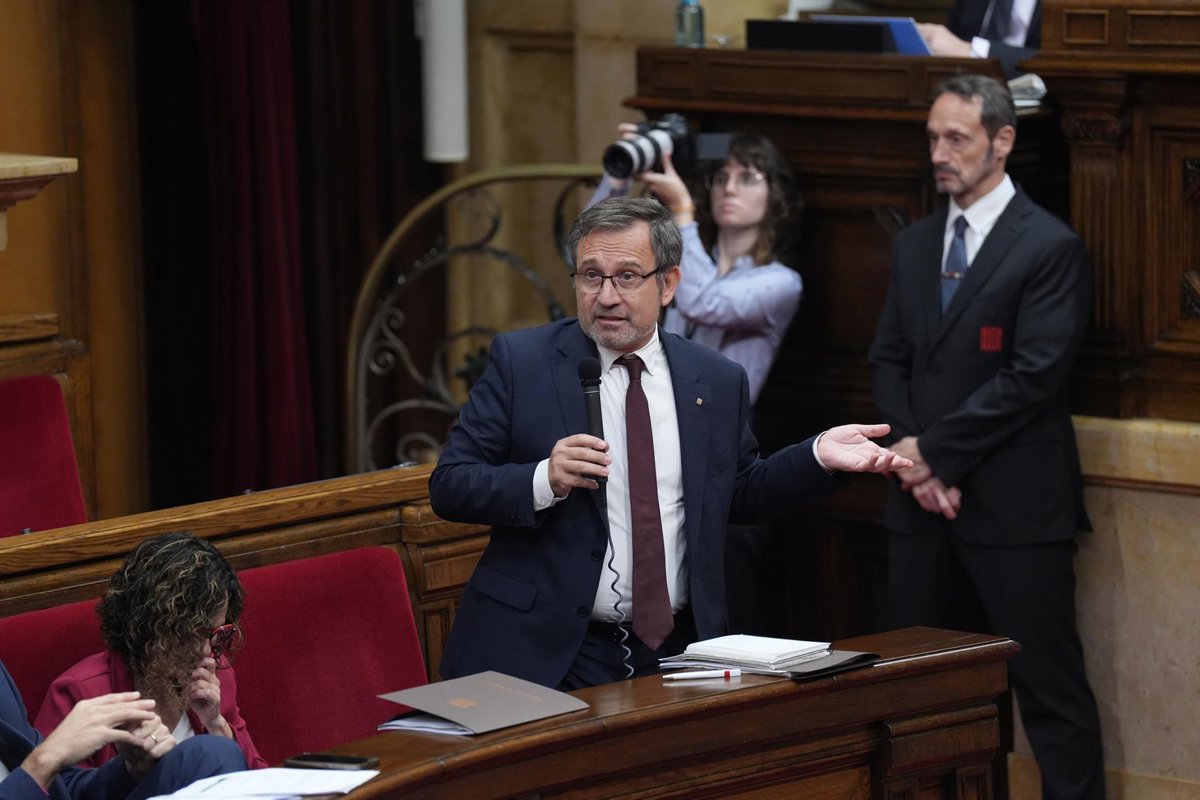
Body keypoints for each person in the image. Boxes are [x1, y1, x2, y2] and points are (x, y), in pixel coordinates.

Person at [430, 195, 911, 691]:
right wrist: (542, 479)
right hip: (543, 650)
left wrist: (816, 457)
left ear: (668, 284)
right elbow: (450, 485)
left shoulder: (715, 378)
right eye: (591, 276)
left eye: (627, 277)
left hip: (676, 651)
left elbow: (738, 492)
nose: (606, 296)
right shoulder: (522, 363)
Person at [868, 74, 1104, 800]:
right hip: (920, 512)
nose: (939, 153)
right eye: (933, 138)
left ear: (1002, 141)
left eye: (956, 139)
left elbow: (1034, 377)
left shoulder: (1050, 245)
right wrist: (913, 459)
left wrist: (933, 455)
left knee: (1051, 696)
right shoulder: (914, 244)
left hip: (1015, 510)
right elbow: (888, 359)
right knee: (919, 697)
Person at [591, 129, 804, 634]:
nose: (729, 188)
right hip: (657, 436)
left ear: (774, 196)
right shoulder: (683, 262)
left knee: (723, 611)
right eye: (722, 177)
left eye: (747, 178)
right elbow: (595, 253)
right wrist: (618, 178)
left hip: (722, 455)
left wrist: (682, 211)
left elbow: (706, 301)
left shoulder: (779, 281)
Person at [36, 532, 267, 770]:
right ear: (148, 626)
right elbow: (55, 786)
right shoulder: (79, 693)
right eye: (190, 633)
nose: (205, 650)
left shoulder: (214, 675)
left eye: (215, 632)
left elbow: (259, 779)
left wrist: (216, 724)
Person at [0, 657, 245, 800]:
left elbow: (60, 789)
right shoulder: (80, 686)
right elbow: (40, 767)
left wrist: (131, 770)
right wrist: (44, 760)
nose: (206, 652)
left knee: (211, 754)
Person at [917, 0, 1040, 78]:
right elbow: (954, 36)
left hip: (1032, 99)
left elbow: (1047, 61)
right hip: (966, 86)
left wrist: (971, 51)